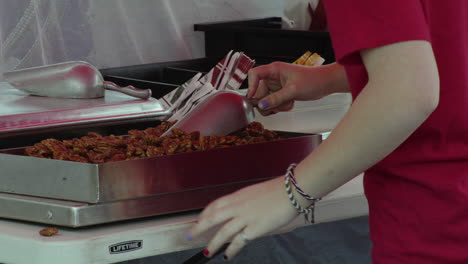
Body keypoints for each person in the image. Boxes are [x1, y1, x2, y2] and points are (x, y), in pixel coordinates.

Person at [187, 1, 468, 263]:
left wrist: (290, 192)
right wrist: (329, 78)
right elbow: (447, 49)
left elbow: (408, 92)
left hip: (437, 221)